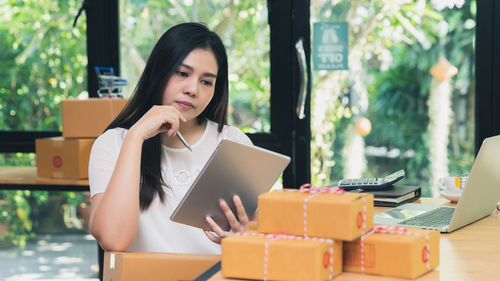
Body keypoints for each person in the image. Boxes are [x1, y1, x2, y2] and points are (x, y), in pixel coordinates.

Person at [88, 22, 252, 254]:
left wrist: (246, 237)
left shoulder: (233, 143)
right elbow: (113, 240)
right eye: (182, 73)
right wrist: (136, 137)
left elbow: (260, 237)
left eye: (206, 81)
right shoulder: (112, 144)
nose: (193, 89)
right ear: (158, 71)